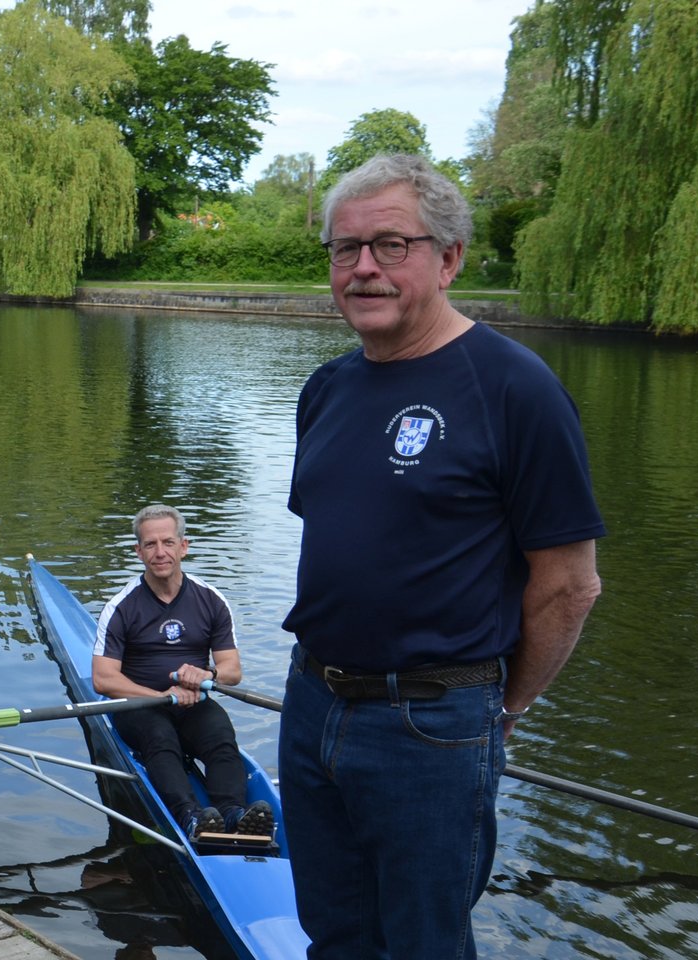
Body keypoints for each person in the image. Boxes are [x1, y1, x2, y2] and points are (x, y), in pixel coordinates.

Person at [281, 153, 604, 958]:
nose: (363, 269)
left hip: (432, 723)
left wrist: (501, 711)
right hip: (312, 701)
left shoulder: (514, 390)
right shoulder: (326, 387)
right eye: (344, 249)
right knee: (333, 935)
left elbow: (568, 587)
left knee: (425, 943)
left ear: (449, 257)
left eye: (392, 245)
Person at [93, 504, 274, 839]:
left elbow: (232, 671)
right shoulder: (121, 606)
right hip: (139, 706)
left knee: (220, 733)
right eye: (150, 545)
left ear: (183, 546)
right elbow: (104, 679)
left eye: (168, 542)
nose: (160, 552)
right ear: (138, 551)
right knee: (160, 738)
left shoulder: (211, 600)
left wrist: (209, 676)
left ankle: (233, 813)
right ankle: (190, 818)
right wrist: (160, 697)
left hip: (193, 703)